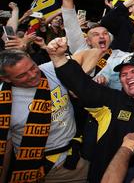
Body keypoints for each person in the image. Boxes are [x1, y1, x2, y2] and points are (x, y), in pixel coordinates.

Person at [49, 37, 134, 183]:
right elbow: (83, 85)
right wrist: (59, 59)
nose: (128, 77)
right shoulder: (112, 100)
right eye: (123, 75)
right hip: (105, 176)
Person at [0, 49, 87, 182]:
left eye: (32, 67)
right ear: (6, 78)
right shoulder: (3, 103)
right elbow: (5, 145)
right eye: (22, 75)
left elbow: (91, 53)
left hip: (79, 155)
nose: (33, 75)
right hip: (41, 168)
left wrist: (77, 83)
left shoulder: (51, 70)